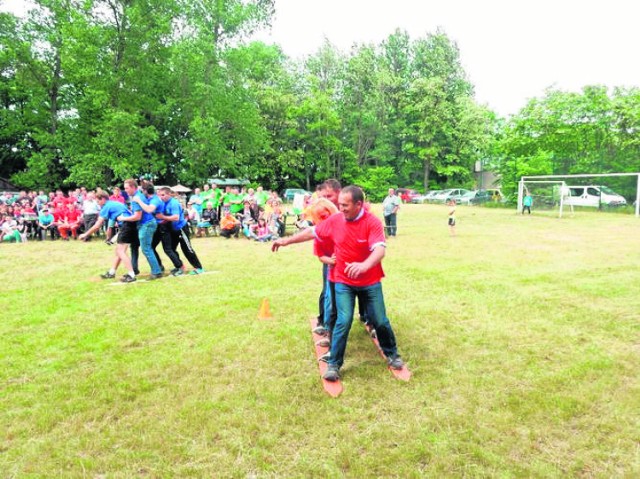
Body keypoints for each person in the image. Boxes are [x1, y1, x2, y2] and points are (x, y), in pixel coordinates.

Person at [272, 185, 404, 381]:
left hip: (370, 281)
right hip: (343, 280)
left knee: (380, 320)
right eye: (340, 204)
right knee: (343, 320)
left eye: (345, 205)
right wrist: (286, 241)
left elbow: (379, 250)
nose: (340, 208)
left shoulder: (372, 222)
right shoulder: (336, 220)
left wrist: (364, 266)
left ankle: (392, 354)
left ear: (358, 204)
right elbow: (312, 232)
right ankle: (334, 364)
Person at [79, 192, 138, 283]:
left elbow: (97, 225)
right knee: (119, 251)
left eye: (98, 200)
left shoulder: (106, 207)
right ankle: (111, 272)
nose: (97, 203)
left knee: (120, 251)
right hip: (131, 225)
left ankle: (131, 274)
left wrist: (85, 234)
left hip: (126, 225)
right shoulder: (115, 203)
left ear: (103, 199)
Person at [128, 183, 165, 280]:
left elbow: (145, 212)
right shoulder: (144, 197)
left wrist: (124, 218)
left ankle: (157, 272)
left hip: (148, 224)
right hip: (148, 224)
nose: (125, 190)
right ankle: (158, 268)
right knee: (148, 248)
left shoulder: (143, 199)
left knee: (147, 249)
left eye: (127, 188)